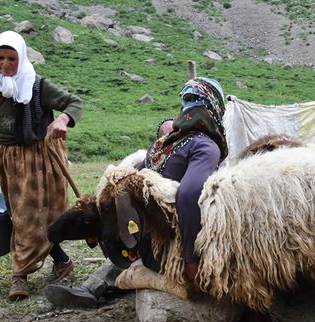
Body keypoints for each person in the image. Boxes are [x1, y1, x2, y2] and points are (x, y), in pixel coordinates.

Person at [43, 77, 227, 308]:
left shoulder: (162, 144)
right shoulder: (204, 146)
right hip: (168, 249)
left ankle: (96, 287)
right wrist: (191, 259)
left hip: (142, 240)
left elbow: (130, 181)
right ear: (216, 110)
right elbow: (189, 195)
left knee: (134, 240)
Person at [0, 31, 83, 300]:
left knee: (29, 215)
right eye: (0, 58)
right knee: (21, 214)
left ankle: (19, 275)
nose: (5, 64)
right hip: (5, 158)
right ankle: (61, 260)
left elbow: (74, 102)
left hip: (35, 158)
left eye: (11, 58)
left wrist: (62, 121)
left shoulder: (36, 86)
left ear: (21, 58)